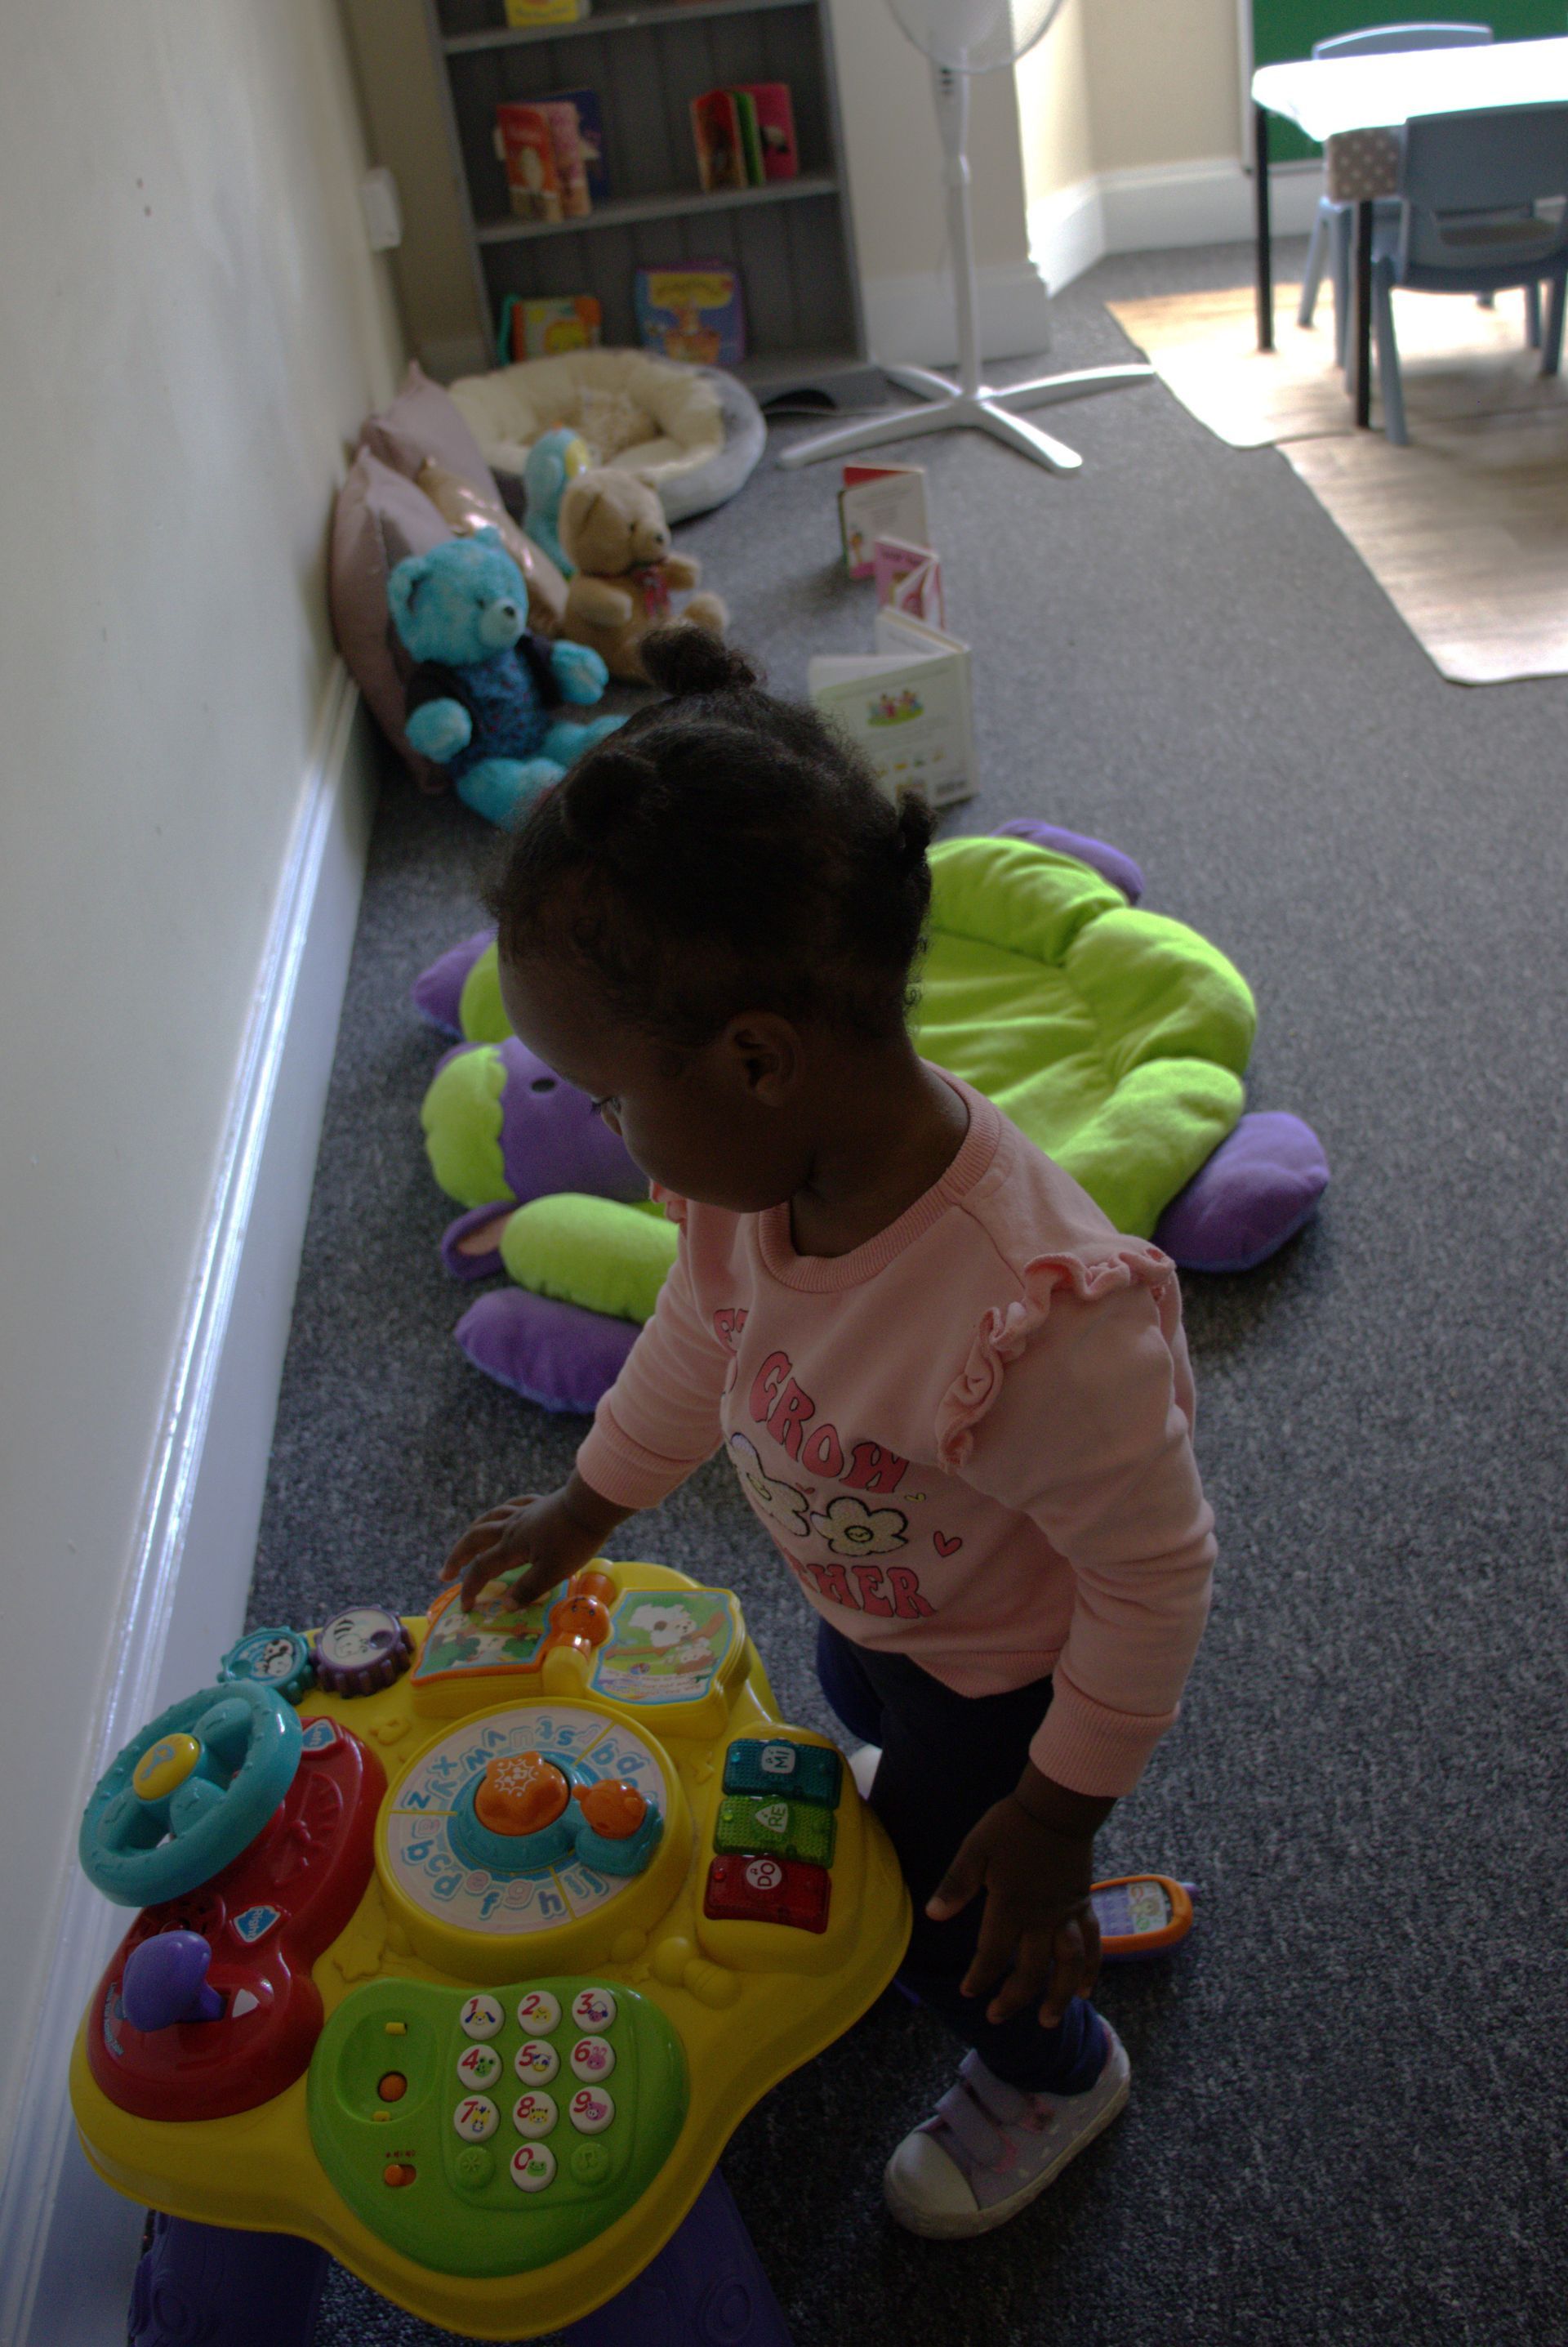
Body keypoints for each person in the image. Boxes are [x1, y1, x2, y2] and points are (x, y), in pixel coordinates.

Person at [442, 627, 1216, 2238]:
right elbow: (691, 1342)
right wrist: (586, 1511)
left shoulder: (1039, 1315)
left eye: (606, 1100)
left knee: (953, 1917)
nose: (606, 1135)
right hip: (887, 1617)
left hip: (1012, 1680)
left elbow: (1155, 1582)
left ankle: (1053, 2062)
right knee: (867, 1722)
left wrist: (1057, 1813)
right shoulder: (757, 1179)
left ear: (757, 1057)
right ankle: (969, 1878)